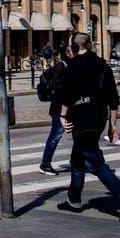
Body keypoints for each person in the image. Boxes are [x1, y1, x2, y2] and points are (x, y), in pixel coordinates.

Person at [57, 33, 120, 220]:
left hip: (82, 119)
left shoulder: (75, 66)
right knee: (77, 159)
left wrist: (63, 115)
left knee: (96, 163)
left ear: (75, 47)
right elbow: (113, 98)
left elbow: (68, 94)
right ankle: (74, 200)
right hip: (99, 119)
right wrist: (112, 126)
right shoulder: (103, 65)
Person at [38, 43, 72, 175]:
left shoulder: (61, 66)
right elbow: (59, 91)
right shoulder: (61, 67)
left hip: (62, 108)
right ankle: (45, 164)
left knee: (76, 134)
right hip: (60, 109)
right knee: (55, 135)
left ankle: (83, 160)